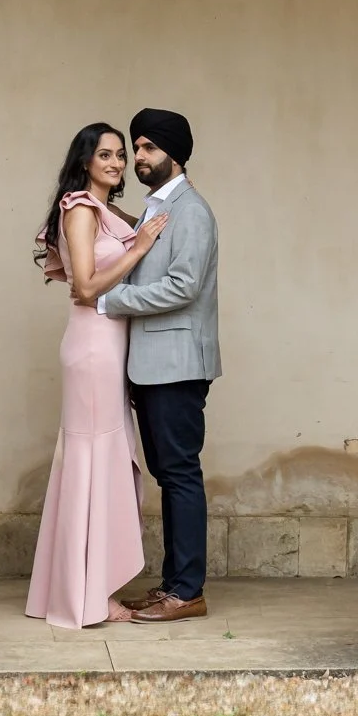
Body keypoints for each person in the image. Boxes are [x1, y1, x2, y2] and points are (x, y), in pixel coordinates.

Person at [24, 124, 165, 629]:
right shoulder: (79, 208)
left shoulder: (105, 210)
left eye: (121, 155)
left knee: (98, 464)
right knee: (92, 465)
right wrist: (139, 249)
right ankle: (91, 597)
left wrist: (143, 231)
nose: (116, 162)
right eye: (105, 154)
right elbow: (85, 287)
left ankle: (76, 588)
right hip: (93, 348)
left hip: (108, 347)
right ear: (85, 159)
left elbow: (142, 223)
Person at [98, 108, 220, 623]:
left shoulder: (190, 210)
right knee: (170, 474)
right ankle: (174, 584)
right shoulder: (155, 209)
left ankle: (187, 592)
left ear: (175, 152)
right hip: (153, 366)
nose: (138, 158)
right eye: (135, 148)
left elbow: (183, 286)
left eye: (147, 148)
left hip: (176, 366)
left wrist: (110, 298)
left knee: (180, 474)